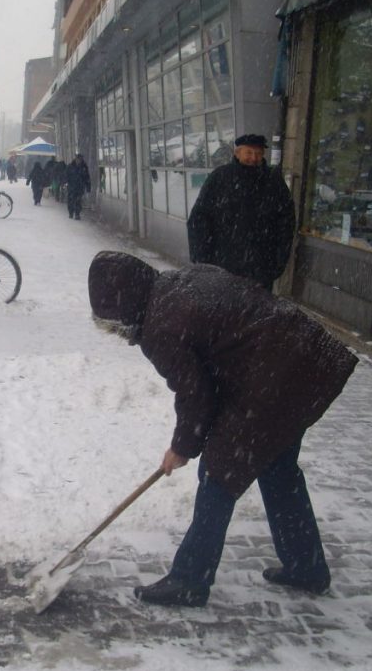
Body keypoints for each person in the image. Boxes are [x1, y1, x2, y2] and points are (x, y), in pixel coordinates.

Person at [88, 251, 356, 607]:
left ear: (122, 310)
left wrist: (182, 447)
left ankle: (189, 580)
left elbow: (196, 394)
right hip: (304, 357)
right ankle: (305, 566)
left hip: (273, 379)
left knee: (219, 473)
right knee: (277, 468)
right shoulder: (176, 282)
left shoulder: (159, 327)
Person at [187, 133, 296, 288]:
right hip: (222, 266)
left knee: (255, 311)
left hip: (260, 268)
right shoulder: (220, 177)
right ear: (237, 153)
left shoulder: (273, 181)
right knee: (223, 310)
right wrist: (201, 259)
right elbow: (199, 218)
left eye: (258, 153)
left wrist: (278, 262)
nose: (253, 158)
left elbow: (286, 222)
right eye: (249, 153)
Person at [66, 153, 91, 220]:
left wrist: (88, 187)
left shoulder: (84, 167)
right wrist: (65, 183)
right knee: (71, 200)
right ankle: (71, 213)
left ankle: (77, 214)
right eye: (77, 159)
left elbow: (87, 178)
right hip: (71, 187)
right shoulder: (70, 166)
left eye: (80, 159)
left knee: (78, 201)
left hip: (80, 187)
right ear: (75, 159)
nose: (78, 161)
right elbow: (66, 176)